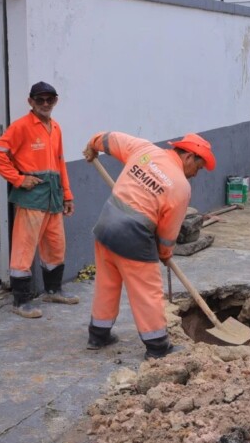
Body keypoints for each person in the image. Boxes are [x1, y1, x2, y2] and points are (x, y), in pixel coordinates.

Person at [82, 131, 215, 359]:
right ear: (188, 158)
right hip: (133, 234)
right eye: (199, 168)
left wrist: (93, 145)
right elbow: (167, 233)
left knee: (107, 282)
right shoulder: (180, 187)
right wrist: (164, 253)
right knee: (147, 291)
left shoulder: (146, 150)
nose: (196, 174)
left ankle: (98, 334)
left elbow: (109, 139)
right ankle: (158, 347)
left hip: (107, 223)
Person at [0, 82, 76, 319]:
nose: (45, 104)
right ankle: (21, 301)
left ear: (56, 100)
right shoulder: (21, 127)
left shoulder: (55, 127)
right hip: (32, 198)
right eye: (40, 100)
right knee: (24, 249)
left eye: (50, 100)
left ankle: (53, 290)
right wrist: (18, 179)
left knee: (56, 246)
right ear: (31, 102)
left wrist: (67, 195)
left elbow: (60, 163)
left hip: (53, 197)